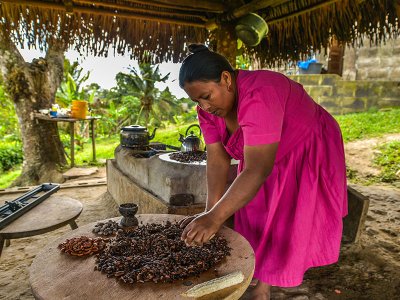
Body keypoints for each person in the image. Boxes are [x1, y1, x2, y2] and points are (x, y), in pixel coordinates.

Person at [178, 44, 348, 299]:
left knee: (286, 215)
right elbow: (217, 158)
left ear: (226, 79)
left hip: (305, 144)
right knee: (253, 211)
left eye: (206, 96)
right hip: (261, 155)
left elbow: (257, 169)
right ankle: (260, 278)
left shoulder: (261, 92)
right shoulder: (208, 112)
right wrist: (211, 211)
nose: (204, 106)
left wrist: (214, 219)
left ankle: (265, 287)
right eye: (196, 101)